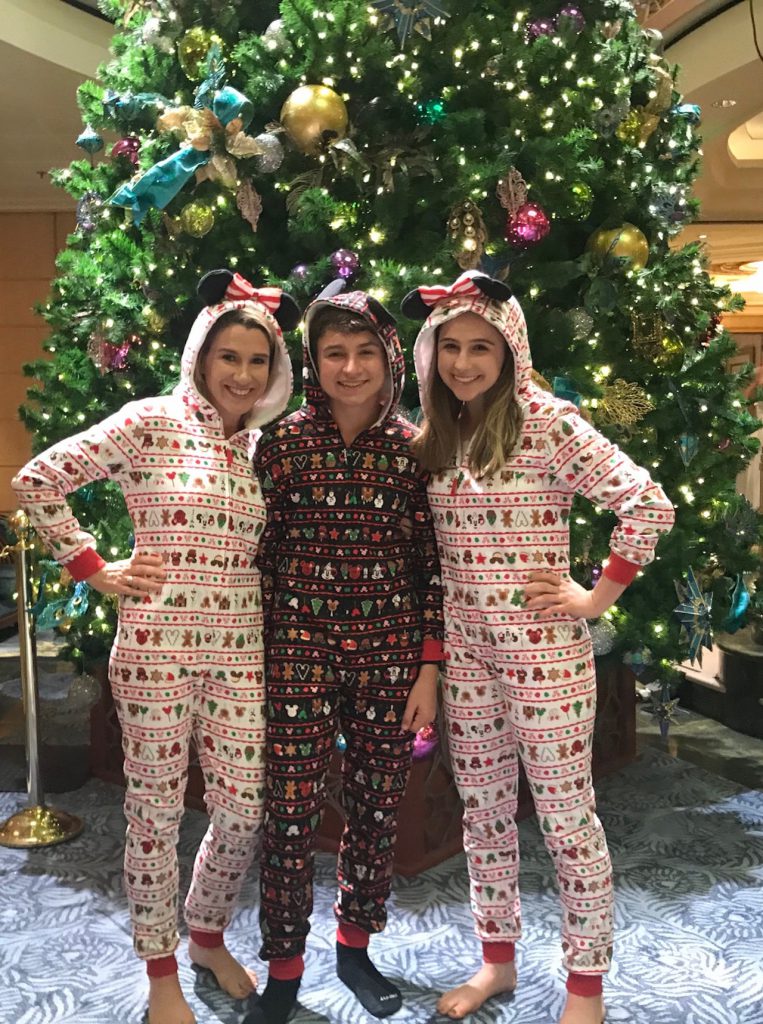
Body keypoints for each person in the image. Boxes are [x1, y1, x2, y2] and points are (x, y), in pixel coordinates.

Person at [12, 269, 299, 1024]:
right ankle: (161, 973)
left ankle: (205, 931)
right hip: (154, 651)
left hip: (241, 651)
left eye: (257, 361)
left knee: (243, 808)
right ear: (201, 357)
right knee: (155, 815)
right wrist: (94, 569)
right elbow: (39, 480)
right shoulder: (150, 419)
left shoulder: (265, 451)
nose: (241, 374)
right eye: (228, 357)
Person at [403, 270, 675, 1024]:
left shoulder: (547, 423)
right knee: (482, 813)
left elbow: (645, 505)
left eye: (480, 347)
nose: (463, 363)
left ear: (509, 350)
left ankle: (584, 988)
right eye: (449, 347)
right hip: (466, 655)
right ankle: (496, 961)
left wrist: (594, 598)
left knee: (563, 816)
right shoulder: (436, 434)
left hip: (545, 655)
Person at [244, 284, 444, 1024]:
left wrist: (429, 666)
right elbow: (258, 554)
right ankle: (285, 968)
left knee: (376, 804)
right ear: (312, 361)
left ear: (389, 359)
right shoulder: (282, 442)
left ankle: (355, 946)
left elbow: (432, 567)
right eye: (334, 353)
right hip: (294, 646)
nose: (350, 368)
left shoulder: (415, 448)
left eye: (364, 353)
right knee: (288, 810)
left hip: (391, 653)